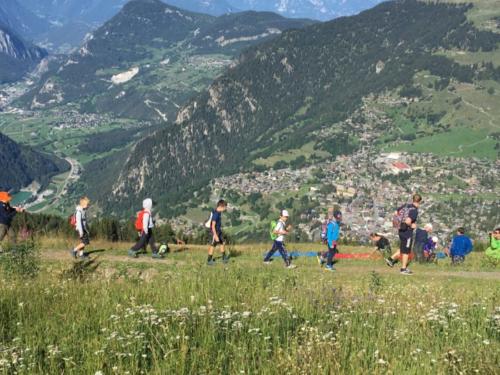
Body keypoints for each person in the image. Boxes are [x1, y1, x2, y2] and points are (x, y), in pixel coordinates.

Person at [386, 193, 422, 275]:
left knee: (402, 247)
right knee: (406, 251)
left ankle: (391, 259)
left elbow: (396, 212)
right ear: (420, 201)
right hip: (407, 231)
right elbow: (408, 221)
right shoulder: (414, 210)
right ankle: (403, 269)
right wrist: (412, 225)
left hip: (400, 230)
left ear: (413, 199)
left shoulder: (406, 206)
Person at [207, 199, 229, 265]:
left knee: (222, 242)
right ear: (221, 206)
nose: (225, 209)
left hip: (218, 231)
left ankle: (224, 258)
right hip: (215, 232)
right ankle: (209, 260)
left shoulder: (218, 212)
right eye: (225, 207)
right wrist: (215, 235)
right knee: (213, 245)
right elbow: (213, 226)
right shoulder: (216, 214)